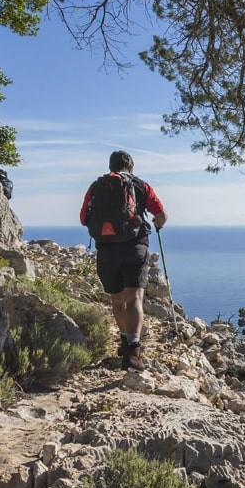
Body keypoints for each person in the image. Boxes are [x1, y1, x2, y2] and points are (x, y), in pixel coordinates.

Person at [80, 150, 167, 370]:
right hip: (134, 246)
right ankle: (133, 351)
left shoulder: (96, 186)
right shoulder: (141, 186)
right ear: (131, 167)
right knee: (135, 298)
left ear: (110, 166)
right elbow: (161, 214)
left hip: (107, 249)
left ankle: (122, 340)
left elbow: (83, 219)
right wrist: (158, 224)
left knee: (117, 300)